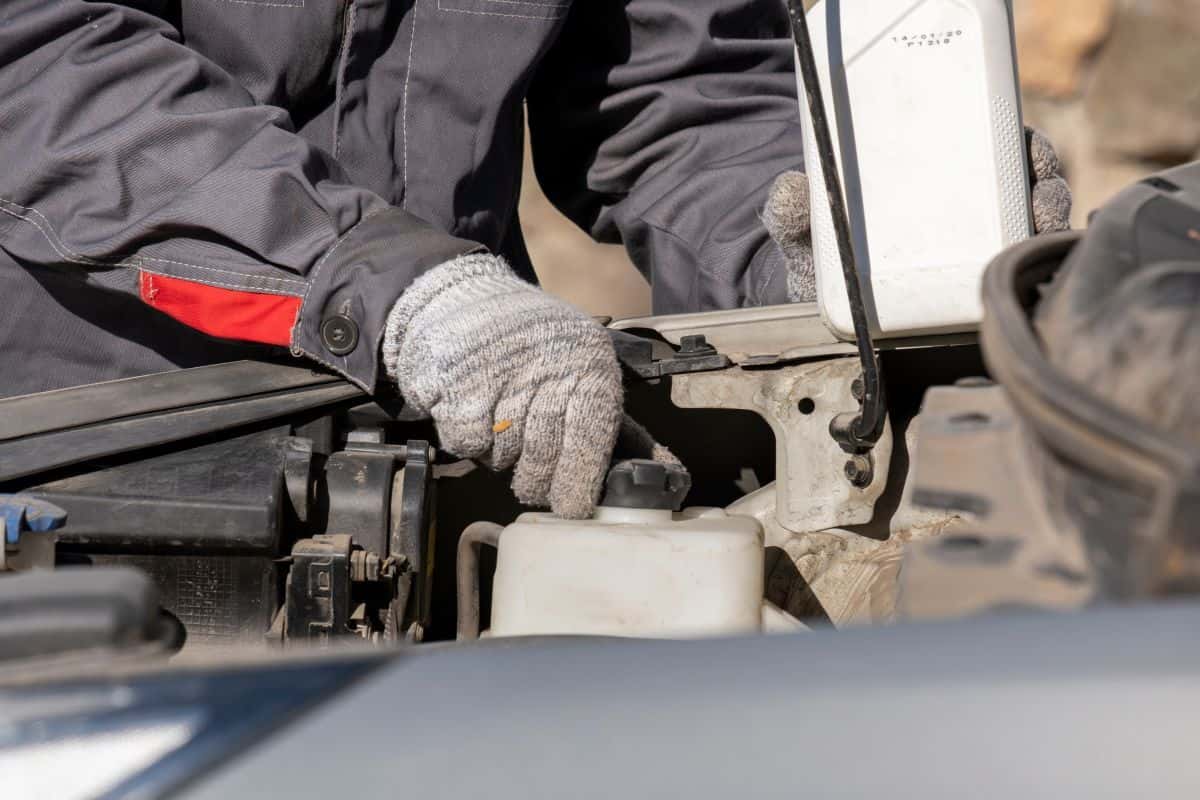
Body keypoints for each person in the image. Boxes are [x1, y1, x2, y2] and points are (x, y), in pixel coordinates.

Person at [0, 1, 1070, 518]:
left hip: (453, 444)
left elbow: (674, 86)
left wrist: (816, 247)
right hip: (93, 471)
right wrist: (383, 285)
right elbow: (36, 61)